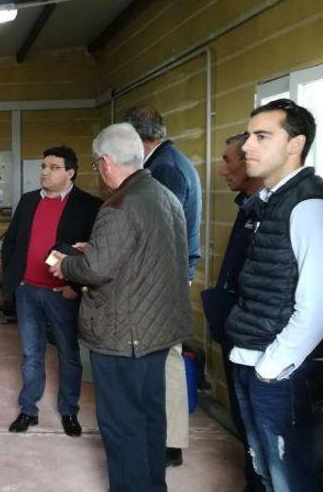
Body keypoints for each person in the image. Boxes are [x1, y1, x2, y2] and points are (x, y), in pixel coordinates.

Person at [49, 123, 192, 492]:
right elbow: (143, 257)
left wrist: (66, 264)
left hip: (123, 334)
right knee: (149, 418)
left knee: (121, 425)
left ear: (106, 161)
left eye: (97, 165)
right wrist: (93, 250)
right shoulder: (162, 195)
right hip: (156, 332)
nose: (99, 172)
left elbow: (96, 270)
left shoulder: (119, 206)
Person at [224, 99, 323, 491]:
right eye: (249, 135)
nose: (248, 146)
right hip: (250, 356)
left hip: (277, 370)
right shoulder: (269, 202)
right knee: (263, 471)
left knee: (289, 478)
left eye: (262, 136)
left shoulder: (308, 204)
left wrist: (270, 368)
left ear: (295, 144)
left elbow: (316, 308)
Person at [1, 146, 102, 436]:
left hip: (62, 294)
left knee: (68, 355)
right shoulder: (29, 201)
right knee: (31, 354)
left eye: (53, 167)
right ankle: (28, 410)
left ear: (70, 172)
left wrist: (76, 286)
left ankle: (69, 410)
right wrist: (15, 279)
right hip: (28, 291)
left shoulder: (88, 205)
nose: (45, 172)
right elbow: (12, 242)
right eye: (44, 166)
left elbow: (94, 253)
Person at [125, 105, 202, 466]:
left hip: (163, 278)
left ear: (140, 139)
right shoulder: (170, 161)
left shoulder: (165, 169)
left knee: (164, 359)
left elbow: (156, 230)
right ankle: (164, 437)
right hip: (168, 274)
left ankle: (167, 442)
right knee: (161, 357)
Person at [200, 133, 264, 492]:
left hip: (257, 339)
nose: (222, 169)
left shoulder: (281, 210)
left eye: (229, 160)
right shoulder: (248, 206)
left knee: (262, 428)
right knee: (246, 425)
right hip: (235, 329)